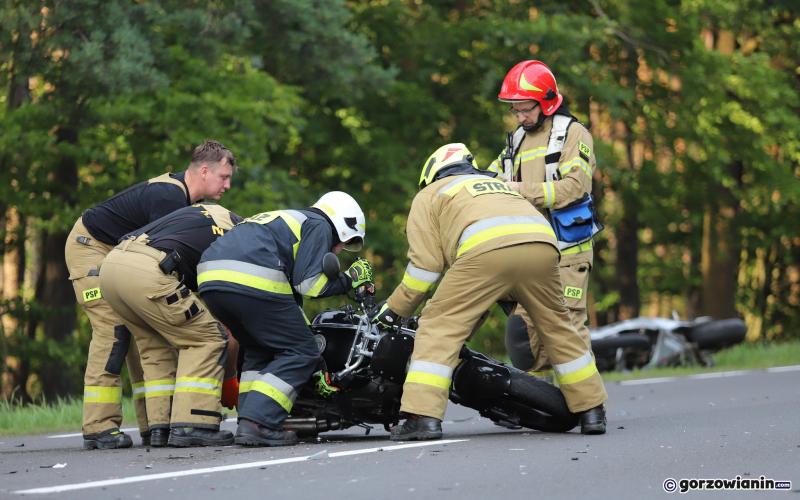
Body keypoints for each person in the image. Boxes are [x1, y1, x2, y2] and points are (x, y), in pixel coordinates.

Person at [372, 143, 608, 441]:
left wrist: (395, 309)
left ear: (430, 174)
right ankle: (592, 409)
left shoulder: (430, 193)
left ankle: (422, 417)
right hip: (543, 245)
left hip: (486, 252)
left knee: (438, 328)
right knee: (558, 326)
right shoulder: (497, 184)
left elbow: (425, 268)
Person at [65, 139, 236, 450]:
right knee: (114, 333)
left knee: (150, 334)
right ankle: (99, 427)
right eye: (223, 177)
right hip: (91, 250)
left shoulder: (184, 200)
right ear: (205, 171)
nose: (227, 186)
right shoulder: (169, 198)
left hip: (120, 257)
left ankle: (157, 426)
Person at [197, 192, 372, 447]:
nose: (338, 250)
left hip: (211, 279)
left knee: (260, 350)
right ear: (342, 226)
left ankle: (248, 420)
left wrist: (317, 364)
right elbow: (310, 285)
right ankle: (259, 423)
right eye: (343, 243)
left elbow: (290, 307)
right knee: (301, 353)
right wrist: (351, 278)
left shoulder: (286, 220)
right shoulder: (320, 224)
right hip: (253, 279)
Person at [488, 61, 599, 384]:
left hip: (568, 252)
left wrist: (521, 190)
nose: (519, 117)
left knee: (567, 330)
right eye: (515, 110)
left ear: (546, 102)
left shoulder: (573, 134)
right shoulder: (517, 139)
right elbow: (491, 177)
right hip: (531, 250)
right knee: (523, 335)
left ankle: (589, 402)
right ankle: (542, 401)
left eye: (525, 109)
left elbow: (575, 188)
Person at [99, 202, 243, 447]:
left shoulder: (207, 212)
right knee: (207, 339)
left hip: (111, 267)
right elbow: (228, 324)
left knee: (155, 346)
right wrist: (230, 380)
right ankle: (193, 425)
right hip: (149, 271)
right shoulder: (240, 239)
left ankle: (159, 428)